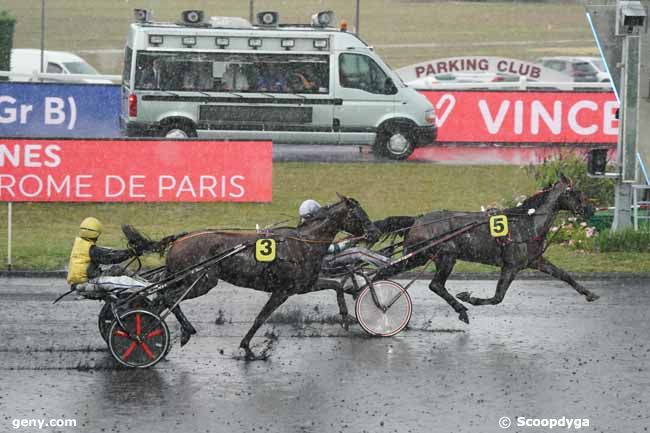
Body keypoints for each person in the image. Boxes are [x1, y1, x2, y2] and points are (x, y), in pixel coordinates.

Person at [298, 199, 390, 269]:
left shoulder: (303, 228)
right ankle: (388, 264)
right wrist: (353, 240)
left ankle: (380, 258)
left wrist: (349, 240)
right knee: (358, 252)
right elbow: (332, 249)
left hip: (322, 260)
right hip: (325, 262)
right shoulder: (313, 231)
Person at [67, 217, 147, 298]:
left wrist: (130, 252)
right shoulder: (91, 249)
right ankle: (147, 288)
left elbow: (108, 252)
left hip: (81, 283)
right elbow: (112, 258)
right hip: (87, 284)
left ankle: (144, 282)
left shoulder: (82, 244)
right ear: (97, 233)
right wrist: (132, 252)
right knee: (126, 281)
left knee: (117, 269)